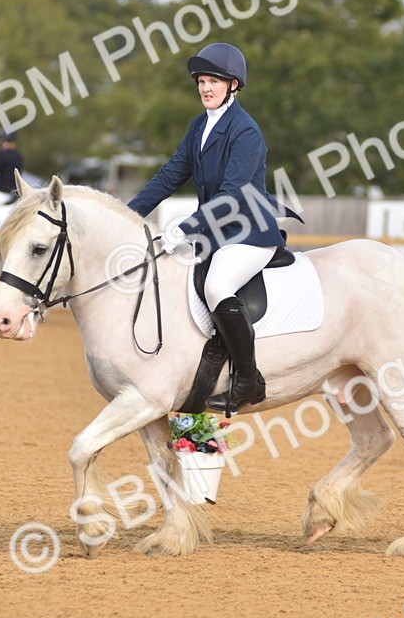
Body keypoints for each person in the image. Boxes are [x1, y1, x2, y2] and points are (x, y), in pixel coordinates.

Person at [127, 42, 303, 414]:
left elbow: (233, 195)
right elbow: (170, 174)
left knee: (217, 285)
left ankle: (248, 380)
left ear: (233, 85)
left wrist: (186, 227)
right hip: (214, 234)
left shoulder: (246, 131)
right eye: (202, 81)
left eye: (214, 81)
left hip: (250, 232)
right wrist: (126, 214)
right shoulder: (199, 126)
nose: (206, 88)